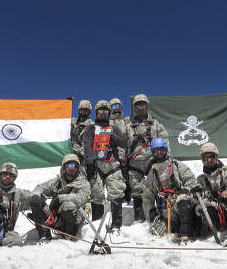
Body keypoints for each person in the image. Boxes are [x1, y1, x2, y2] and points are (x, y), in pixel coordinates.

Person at [82, 100, 127, 230]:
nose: (103, 114)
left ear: (109, 113)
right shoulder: (90, 128)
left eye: (106, 111)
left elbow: (124, 143)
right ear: (96, 113)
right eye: (100, 111)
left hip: (112, 165)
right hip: (96, 166)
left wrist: (111, 135)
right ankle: (97, 226)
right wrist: (89, 164)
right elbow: (86, 145)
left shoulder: (114, 128)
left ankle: (116, 226)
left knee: (116, 193)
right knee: (96, 196)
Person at [142, 138, 198, 242]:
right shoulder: (152, 172)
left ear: (166, 150)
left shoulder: (176, 165)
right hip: (166, 209)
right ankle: (178, 226)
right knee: (156, 231)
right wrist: (151, 211)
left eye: (162, 149)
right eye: (156, 150)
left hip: (181, 202)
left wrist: (186, 190)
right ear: (153, 152)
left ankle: (186, 234)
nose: (159, 152)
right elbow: (147, 196)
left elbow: (191, 180)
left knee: (183, 202)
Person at [125, 93, 170, 222]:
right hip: (135, 164)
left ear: (147, 106)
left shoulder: (156, 124)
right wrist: (124, 162)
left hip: (152, 161)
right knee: (136, 190)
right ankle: (139, 217)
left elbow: (165, 140)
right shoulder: (128, 126)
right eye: (137, 105)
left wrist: (167, 158)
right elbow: (123, 145)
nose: (140, 107)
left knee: (156, 188)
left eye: (143, 105)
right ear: (134, 108)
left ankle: (159, 215)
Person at [196, 142, 227, 246]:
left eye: (212, 157)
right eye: (205, 158)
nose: (209, 160)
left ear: (217, 157)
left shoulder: (226, 171)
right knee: (204, 208)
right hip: (216, 209)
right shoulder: (201, 179)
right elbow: (201, 196)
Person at [29, 154, 91, 240]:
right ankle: (44, 234)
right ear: (64, 167)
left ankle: (69, 235)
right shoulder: (58, 181)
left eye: (74, 166)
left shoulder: (84, 183)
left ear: (78, 168)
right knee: (35, 201)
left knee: (68, 205)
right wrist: (36, 195)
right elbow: (41, 187)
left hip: (75, 218)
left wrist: (60, 198)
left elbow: (81, 198)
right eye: (69, 165)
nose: (72, 168)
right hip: (55, 216)